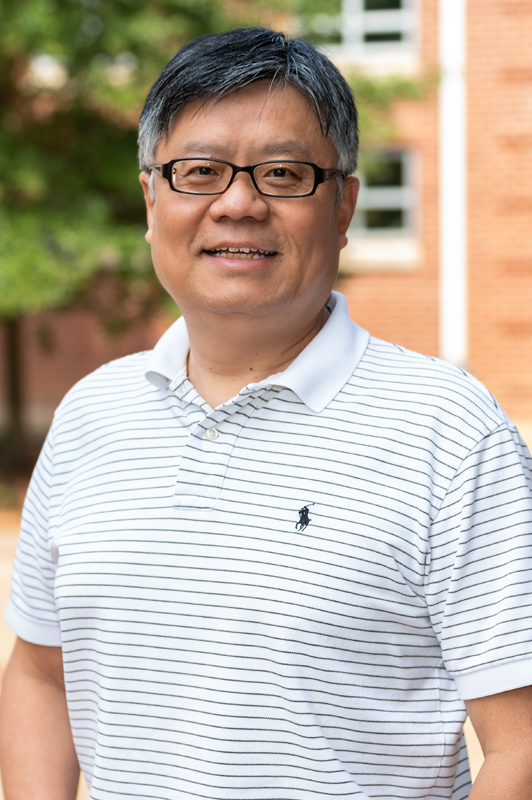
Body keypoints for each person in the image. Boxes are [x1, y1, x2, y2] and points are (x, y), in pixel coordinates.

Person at [1, 26, 532, 800]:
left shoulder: (449, 433)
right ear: (152, 199)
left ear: (344, 203)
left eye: (283, 173)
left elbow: (521, 746)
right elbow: (42, 673)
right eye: (200, 172)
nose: (239, 204)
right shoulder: (92, 417)